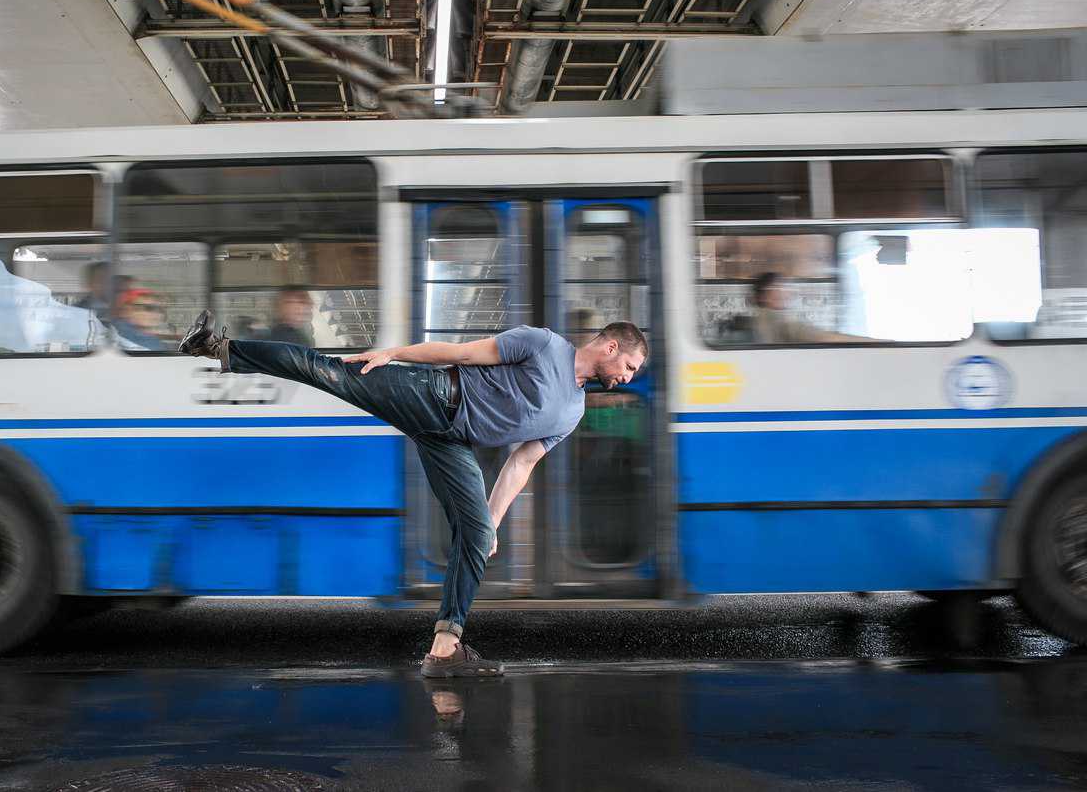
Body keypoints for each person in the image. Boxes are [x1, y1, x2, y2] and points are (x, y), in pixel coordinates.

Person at [178, 310, 647, 677]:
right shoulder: (543, 344)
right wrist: (395, 353)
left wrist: (492, 521)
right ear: (610, 346)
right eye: (628, 366)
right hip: (430, 393)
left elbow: (521, 464)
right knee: (330, 372)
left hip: (451, 442)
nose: (628, 377)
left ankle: (444, 649)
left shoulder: (573, 411)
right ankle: (219, 348)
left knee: (476, 536)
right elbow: (463, 354)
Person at [747, 272, 867, 344]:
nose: (788, 292)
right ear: (765, 296)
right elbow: (823, 337)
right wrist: (871, 343)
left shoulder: (760, 318)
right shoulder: (782, 319)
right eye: (781, 287)